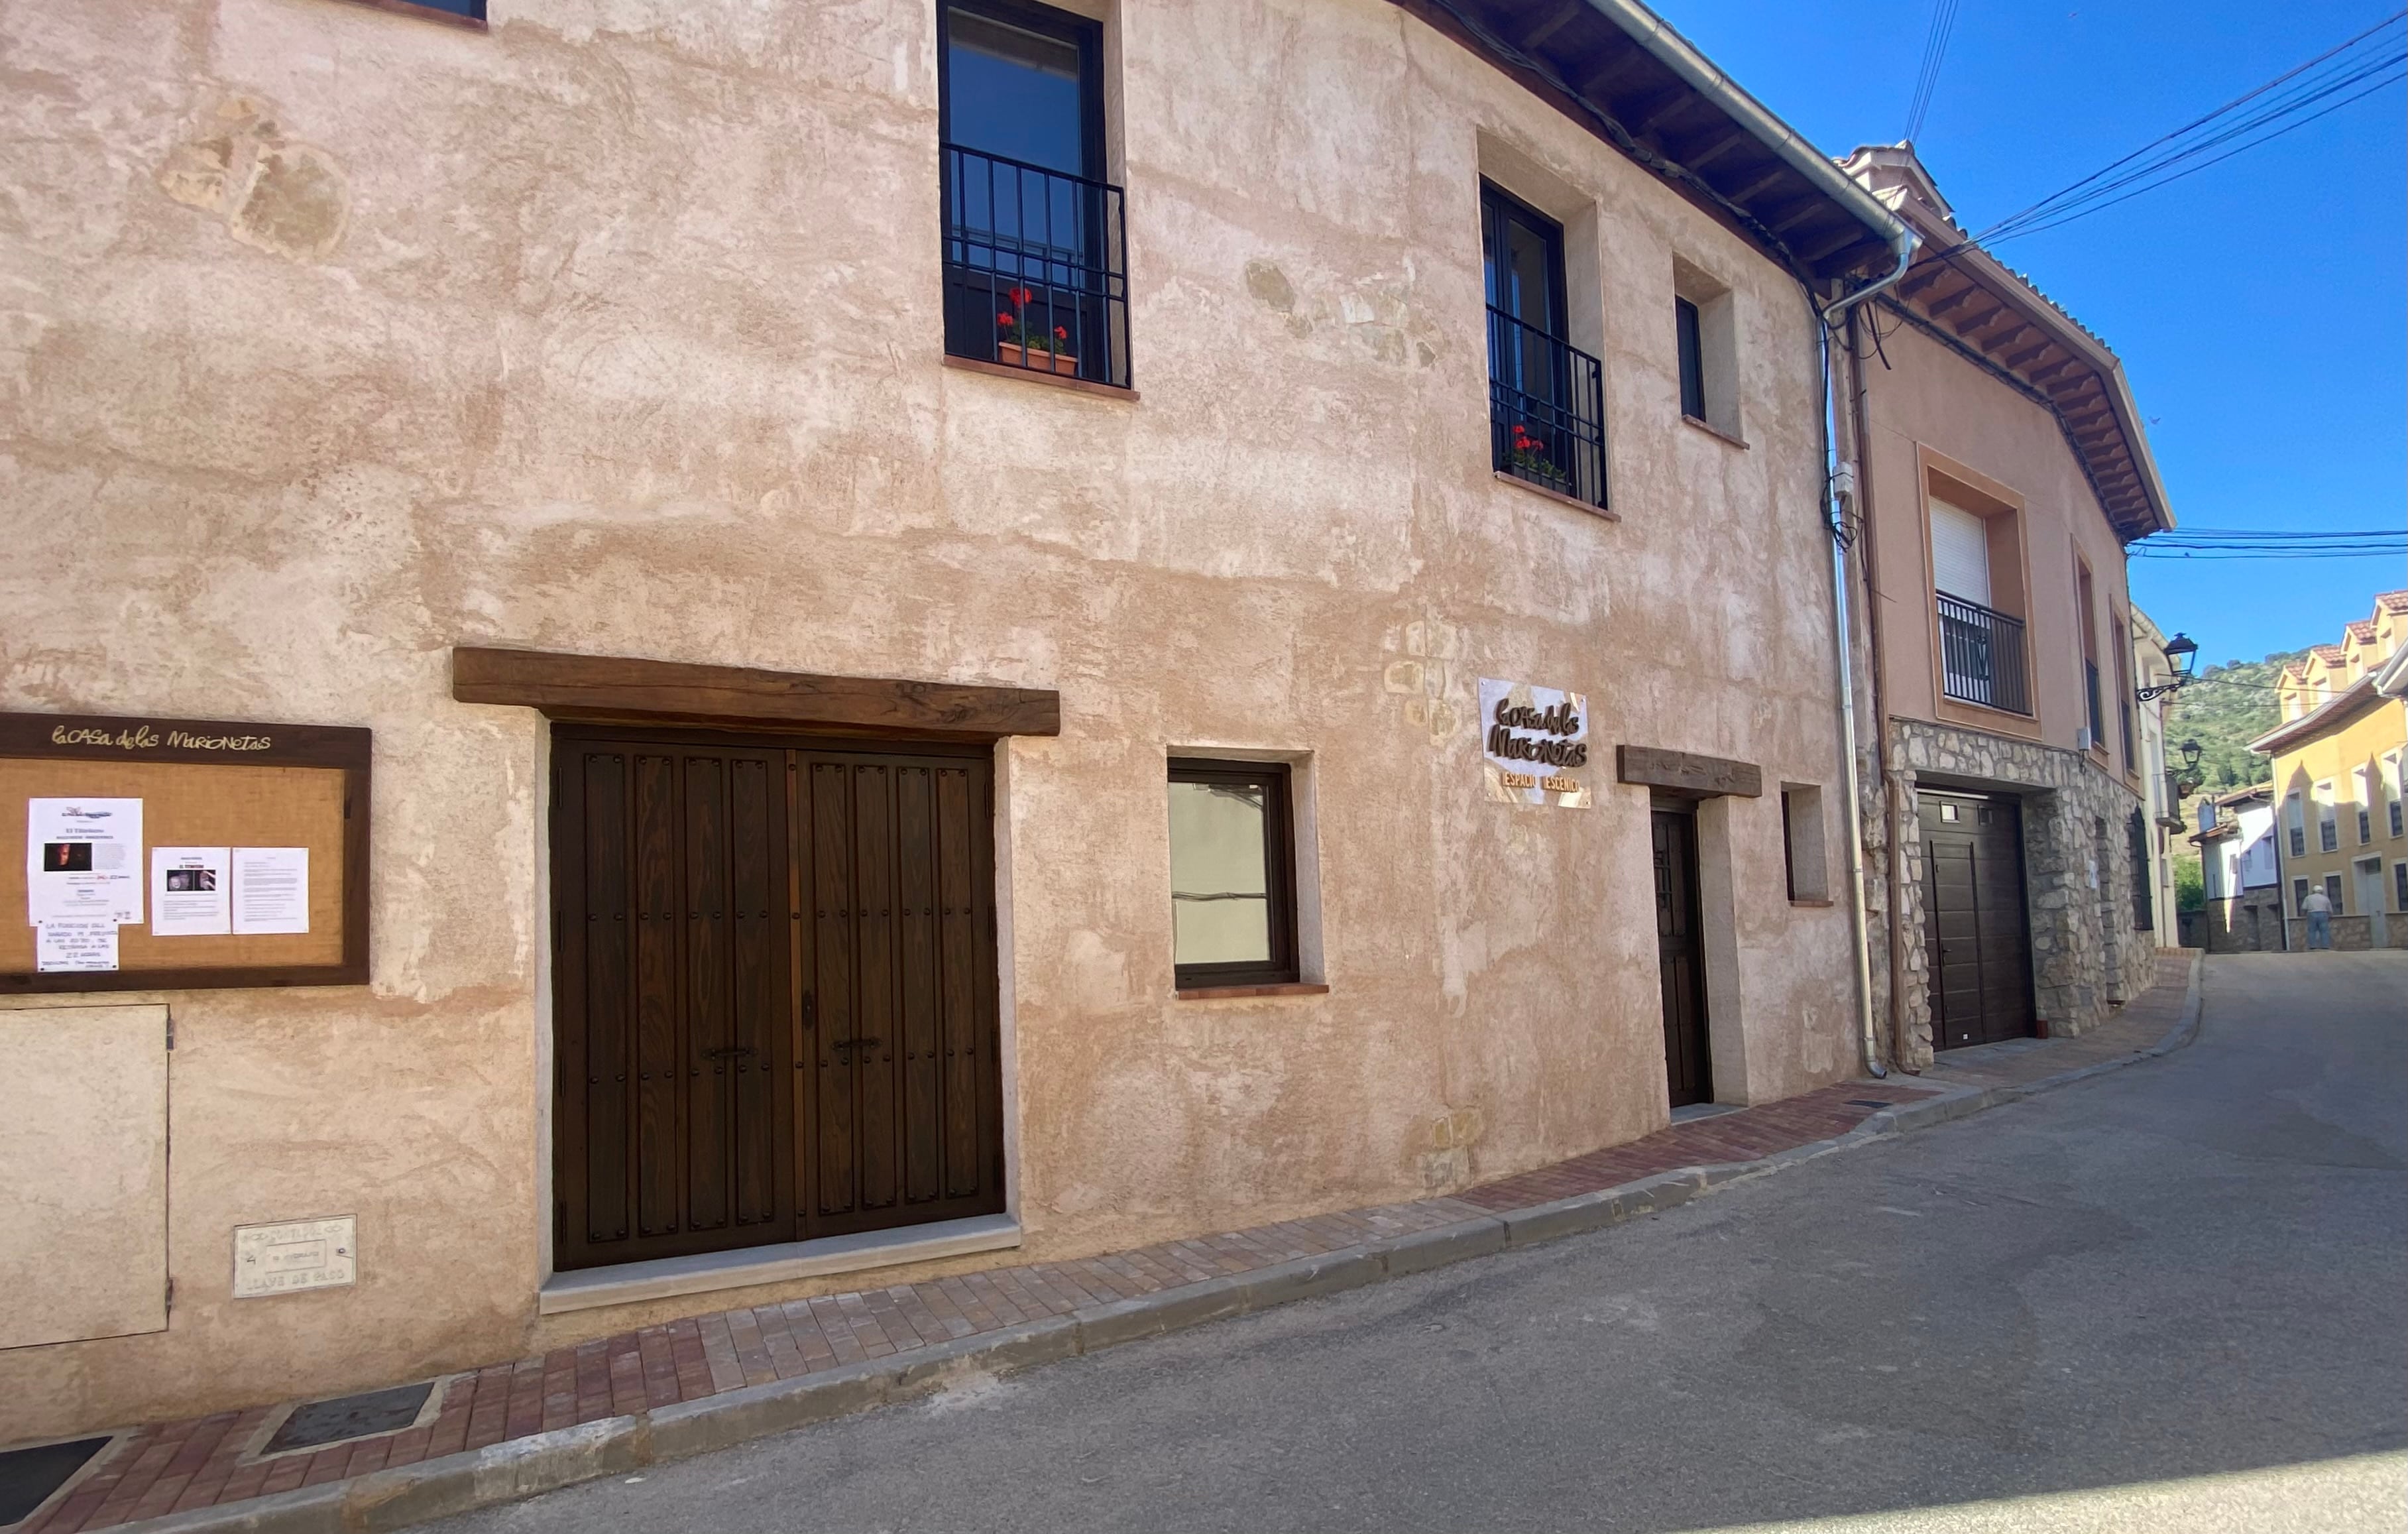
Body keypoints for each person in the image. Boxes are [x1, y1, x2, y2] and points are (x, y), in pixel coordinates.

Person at [2303, 884, 2333, 950]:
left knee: (2312, 931)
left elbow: (2304, 908)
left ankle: (2312, 946)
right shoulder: (2325, 898)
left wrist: (2304, 916)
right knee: (2324, 931)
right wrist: (2330, 915)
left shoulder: (2308, 898)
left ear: (2313, 891)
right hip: (2323, 913)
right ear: (2322, 891)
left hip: (2312, 913)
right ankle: (2325, 946)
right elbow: (2330, 909)